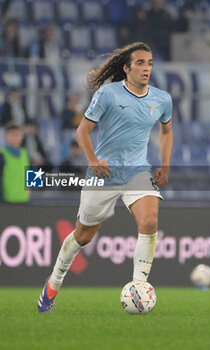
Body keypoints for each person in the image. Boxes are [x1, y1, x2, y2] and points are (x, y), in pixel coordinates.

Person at [37, 42, 173, 313]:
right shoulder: (108, 94)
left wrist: (166, 165)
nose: (146, 68)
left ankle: (138, 287)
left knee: (149, 221)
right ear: (126, 68)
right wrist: (93, 161)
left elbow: (167, 132)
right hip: (105, 172)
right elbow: (82, 132)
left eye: (150, 64)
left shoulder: (162, 98)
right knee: (83, 236)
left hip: (137, 170)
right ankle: (54, 283)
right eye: (140, 63)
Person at [0, 122, 30, 203]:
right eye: (13, 135)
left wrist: (29, 191)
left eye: (18, 135)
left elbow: (31, 173)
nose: (16, 138)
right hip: (7, 201)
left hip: (24, 199)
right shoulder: (2, 154)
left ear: (22, 136)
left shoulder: (25, 153)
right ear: (6, 136)